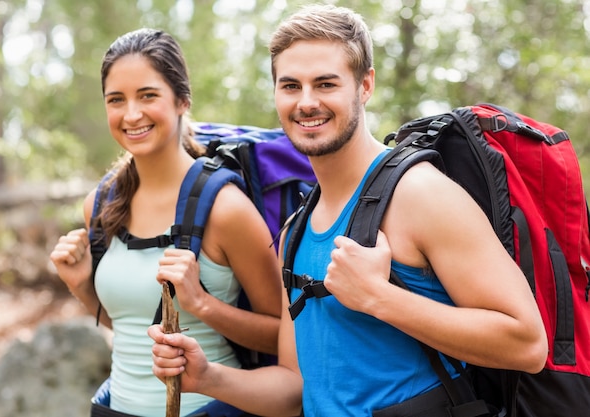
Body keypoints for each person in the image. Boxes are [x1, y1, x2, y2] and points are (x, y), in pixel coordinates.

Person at [147, 5, 549, 417]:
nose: (306, 103)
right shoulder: (295, 230)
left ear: (365, 85)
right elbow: (293, 387)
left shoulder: (421, 194)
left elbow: (528, 344)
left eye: (325, 84)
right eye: (290, 86)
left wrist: (379, 297)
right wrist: (208, 377)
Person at [49, 28, 282, 417]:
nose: (132, 114)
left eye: (148, 95)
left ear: (182, 101)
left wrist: (202, 304)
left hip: (208, 409)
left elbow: (282, 337)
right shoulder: (102, 204)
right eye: (116, 100)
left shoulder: (226, 210)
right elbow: (130, 325)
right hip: (114, 409)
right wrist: (80, 286)